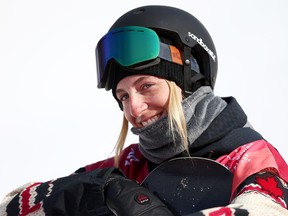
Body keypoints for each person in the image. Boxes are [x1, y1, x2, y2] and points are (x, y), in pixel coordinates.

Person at [1, 5, 288, 216]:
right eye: (123, 96)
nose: (134, 108)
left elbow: (265, 210)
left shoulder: (252, 158)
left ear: (188, 83)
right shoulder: (127, 166)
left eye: (147, 86)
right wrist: (87, 190)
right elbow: (7, 208)